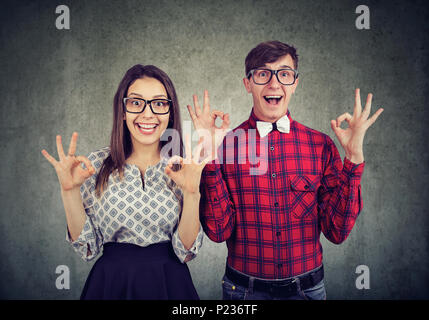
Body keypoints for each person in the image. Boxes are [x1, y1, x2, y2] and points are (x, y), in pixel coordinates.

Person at [190, 41, 383, 300]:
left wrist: (353, 158)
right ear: (248, 84)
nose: (274, 83)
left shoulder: (320, 145)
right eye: (262, 74)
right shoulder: (225, 147)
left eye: (284, 74)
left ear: (295, 83)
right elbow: (217, 232)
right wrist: (209, 157)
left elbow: (337, 232)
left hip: (308, 291)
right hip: (242, 293)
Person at [41, 64, 210, 300]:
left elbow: (186, 252)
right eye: (136, 102)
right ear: (122, 110)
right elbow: (88, 248)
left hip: (170, 286)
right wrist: (69, 191)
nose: (148, 113)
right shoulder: (97, 165)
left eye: (159, 103)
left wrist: (192, 193)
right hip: (110, 286)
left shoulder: (183, 166)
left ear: (170, 112)